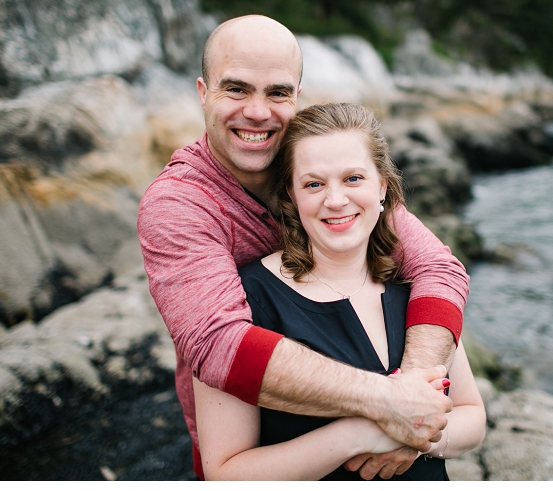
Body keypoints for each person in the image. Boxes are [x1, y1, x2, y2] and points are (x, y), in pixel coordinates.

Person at [137, 15, 471, 480]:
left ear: (296, 95)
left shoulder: (321, 170)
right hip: (261, 449)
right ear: (202, 92)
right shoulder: (178, 205)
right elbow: (221, 345)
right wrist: (388, 405)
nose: (257, 112)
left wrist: (412, 399)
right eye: (236, 89)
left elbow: (439, 268)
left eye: (277, 92)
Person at [193, 102, 486, 480]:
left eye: (353, 179)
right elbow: (225, 473)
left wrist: (415, 439)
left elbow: (471, 416)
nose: (335, 200)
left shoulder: (418, 288)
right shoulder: (244, 301)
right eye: (314, 184)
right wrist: (363, 432)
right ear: (292, 196)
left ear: (382, 186)